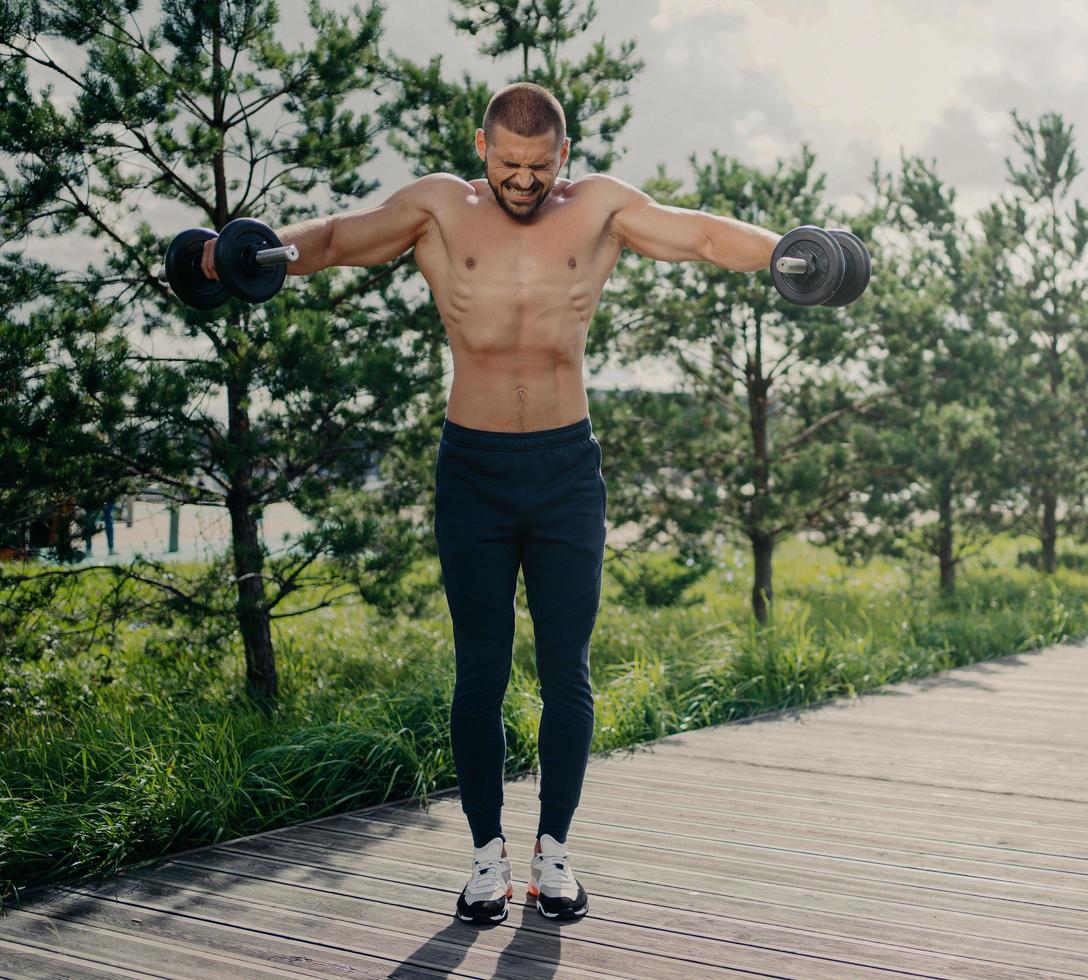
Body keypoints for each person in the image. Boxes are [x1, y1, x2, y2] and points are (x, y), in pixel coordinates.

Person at [200, 82, 786, 924]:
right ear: (483, 149)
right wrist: (245, 252)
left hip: (565, 472)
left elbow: (697, 234)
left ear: (563, 156)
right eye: (508, 164)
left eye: (538, 167)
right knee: (479, 672)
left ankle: (553, 853)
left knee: (565, 673)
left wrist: (786, 252)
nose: (523, 181)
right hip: (471, 469)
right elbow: (331, 239)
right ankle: (484, 858)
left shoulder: (599, 210)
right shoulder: (438, 210)